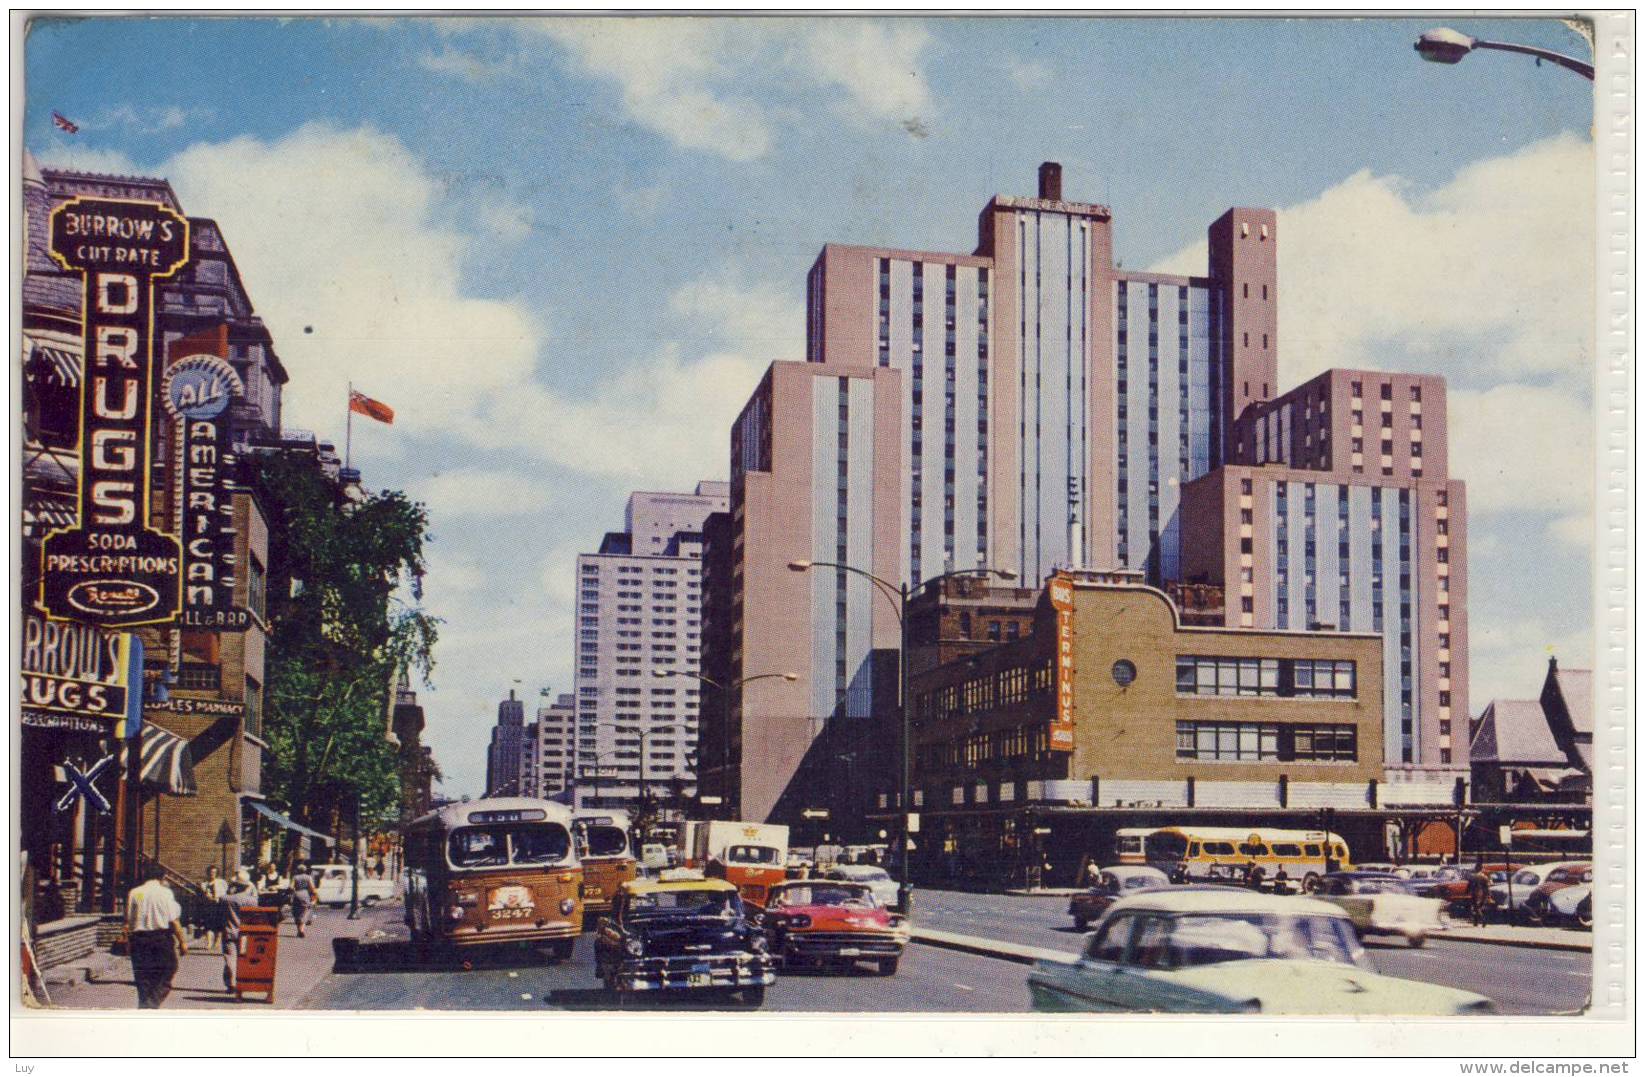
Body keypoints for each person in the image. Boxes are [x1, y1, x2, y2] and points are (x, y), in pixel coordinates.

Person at [125, 864, 188, 1008]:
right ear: (163, 877)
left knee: (143, 977)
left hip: (139, 939)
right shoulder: (166, 893)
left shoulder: (135, 892)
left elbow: (128, 919)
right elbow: (174, 920)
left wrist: (129, 941)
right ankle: (151, 1003)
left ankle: (145, 1005)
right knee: (168, 969)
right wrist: (182, 942)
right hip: (161, 939)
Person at [220, 870, 260, 992]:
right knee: (243, 957)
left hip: (230, 931)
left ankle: (230, 984)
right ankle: (243, 982)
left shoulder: (226, 899)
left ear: (235, 886)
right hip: (245, 933)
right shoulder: (252, 901)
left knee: (230, 958)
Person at [289, 862, 318, 938]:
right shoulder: (308, 877)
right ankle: (301, 930)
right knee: (304, 912)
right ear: (305, 870)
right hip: (305, 895)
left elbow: (291, 887)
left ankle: (299, 931)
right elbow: (312, 888)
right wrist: (314, 896)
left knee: (297, 913)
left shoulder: (295, 877)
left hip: (296, 895)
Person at [1467, 857, 1492, 927]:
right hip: (1483, 894)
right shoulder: (1485, 877)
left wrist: (1467, 892)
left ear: (1476, 868)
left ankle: (1483, 920)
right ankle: (1476, 922)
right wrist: (1488, 896)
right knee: (1478, 908)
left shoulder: (1472, 876)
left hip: (1475, 893)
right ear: (1481, 869)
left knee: (1476, 908)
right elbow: (1487, 887)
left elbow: (1469, 886)